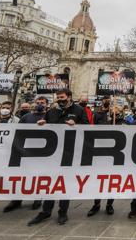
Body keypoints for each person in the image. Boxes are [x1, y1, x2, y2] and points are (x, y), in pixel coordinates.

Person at [27, 89, 89, 226]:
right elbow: (48, 124)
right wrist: (42, 124)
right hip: (52, 153)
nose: (60, 99)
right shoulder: (52, 111)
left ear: (69, 97)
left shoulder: (79, 110)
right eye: (58, 97)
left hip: (69, 152)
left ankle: (62, 211)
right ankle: (46, 211)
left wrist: (76, 125)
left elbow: (87, 128)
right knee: (50, 182)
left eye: (62, 97)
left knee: (64, 182)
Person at [3, 97, 49, 213]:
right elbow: (18, 132)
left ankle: (38, 197)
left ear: (47, 104)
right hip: (25, 151)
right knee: (21, 175)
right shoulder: (26, 117)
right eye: (37, 102)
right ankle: (17, 200)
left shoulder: (50, 116)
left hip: (43, 152)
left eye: (42, 103)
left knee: (39, 175)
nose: (39, 104)